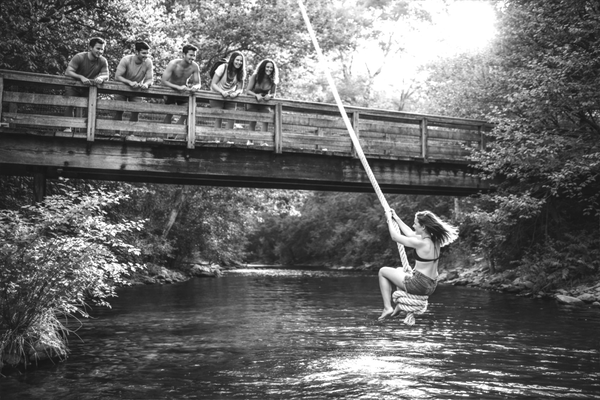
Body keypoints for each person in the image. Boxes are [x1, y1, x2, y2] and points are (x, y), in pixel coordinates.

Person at [378, 209, 458, 321]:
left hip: (419, 284)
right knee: (399, 269)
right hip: (432, 285)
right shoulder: (434, 240)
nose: (413, 225)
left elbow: (395, 237)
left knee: (383, 271)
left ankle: (387, 307)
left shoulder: (420, 243)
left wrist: (389, 220)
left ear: (423, 227)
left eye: (415, 223)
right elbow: (410, 233)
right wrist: (396, 218)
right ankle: (401, 306)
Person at [63, 37, 109, 132]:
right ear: (90, 48)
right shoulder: (79, 57)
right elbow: (68, 71)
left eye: (102, 49)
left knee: (89, 106)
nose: (100, 51)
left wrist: (101, 78)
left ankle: (85, 130)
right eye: (98, 48)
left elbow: (106, 75)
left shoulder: (103, 61)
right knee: (70, 104)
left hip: (87, 87)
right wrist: (81, 77)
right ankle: (67, 128)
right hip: (73, 85)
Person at [114, 41, 154, 123]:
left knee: (136, 111)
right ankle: (116, 133)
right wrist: (129, 82)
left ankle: (131, 134)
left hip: (136, 89)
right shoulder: (126, 60)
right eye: (143, 53)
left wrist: (146, 84)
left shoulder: (148, 62)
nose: (146, 56)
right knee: (119, 110)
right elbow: (117, 77)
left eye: (147, 53)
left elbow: (150, 78)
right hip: (122, 88)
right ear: (136, 52)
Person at [161, 44, 201, 125]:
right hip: (170, 90)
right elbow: (163, 81)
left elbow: (198, 83)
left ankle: (174, 134)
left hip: (182, 91)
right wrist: (178, 87)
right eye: (190, 55)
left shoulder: (195, 66)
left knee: (189, 110)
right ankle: (165, 135)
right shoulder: (173, 64)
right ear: (184, 54)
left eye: (194, 56)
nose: (192, 58)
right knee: (170, 112)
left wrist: (195, 87)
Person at [209, 51, 246, 129]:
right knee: (219, 117)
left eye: (241, 61)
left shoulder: (241, 72)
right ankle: (216, 140)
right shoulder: (223, 67)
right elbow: (213, 84)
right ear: (232, 59)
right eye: (237, 60)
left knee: (231, 117)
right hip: (217, 95)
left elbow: (240, 88)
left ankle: (227, 140)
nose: (239, 62)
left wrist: (236, 93)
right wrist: (222, 92)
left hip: (230, 97)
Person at [245, 59, 279, 132]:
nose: (269, 69)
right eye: (267, 67)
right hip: (253, 101)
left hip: (264, 102)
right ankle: (250, 141)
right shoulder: (255, 76)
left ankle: (263, 143)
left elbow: (273, 94)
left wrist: (269, 96)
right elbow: (247, 91)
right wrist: (256, 95)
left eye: (271, 68)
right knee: (252, 121)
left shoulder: (273, 80)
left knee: (265, 121)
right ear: (263, 67)